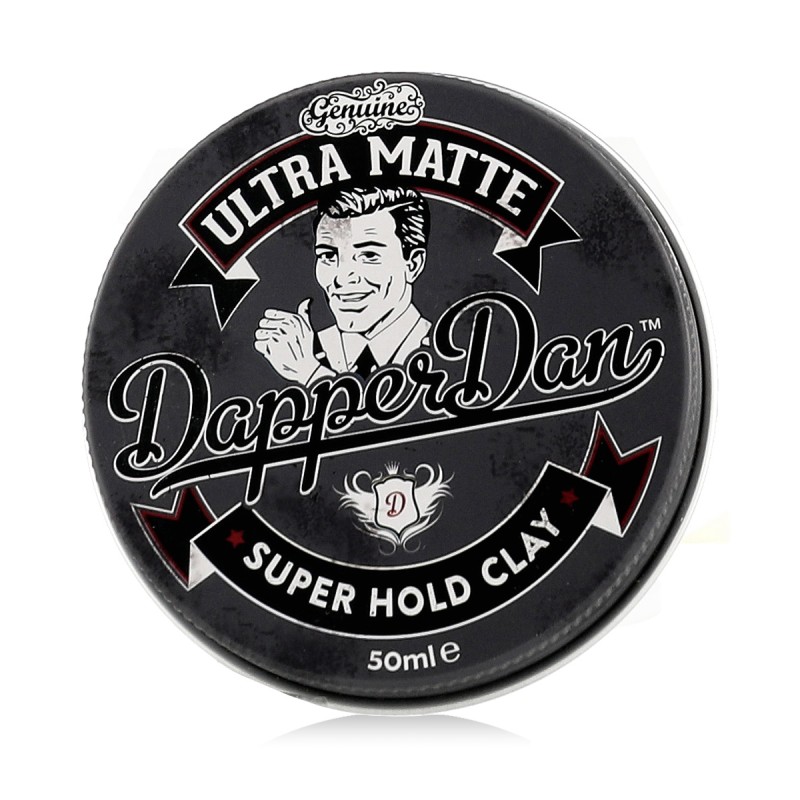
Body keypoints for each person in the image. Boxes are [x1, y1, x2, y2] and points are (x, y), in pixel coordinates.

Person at [254, 185, 432, 386]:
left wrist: (310, 373)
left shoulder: (447, 351)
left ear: (413, 264)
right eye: (328, 256)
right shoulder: (296, 352)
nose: (342, 277)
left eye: (368, 255)